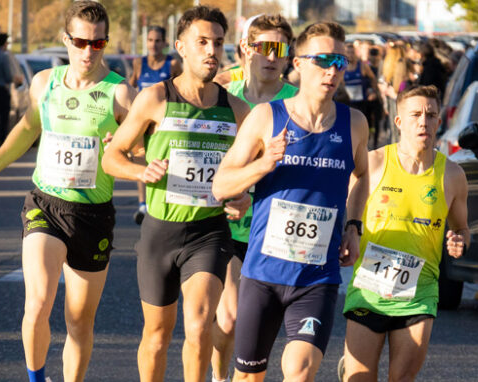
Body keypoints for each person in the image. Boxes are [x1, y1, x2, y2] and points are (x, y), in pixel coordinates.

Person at [0, 2, 136, 381]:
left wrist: (124, 146)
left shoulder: (120, 94)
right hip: (45, 204)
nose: (88, 51)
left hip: (92, 215)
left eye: (98, 43)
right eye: (80, 42)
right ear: (65, 40)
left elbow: (143, 148)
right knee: (38, 303)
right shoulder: (45, 83)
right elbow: (26, 130)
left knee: (79, 322)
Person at [212, 21, 369, 382]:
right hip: (263, 273)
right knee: (250, 376)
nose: (332, 70)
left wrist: (353, 226)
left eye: (340, 62)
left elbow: (361, 177)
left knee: (299, 370)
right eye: (323, 60)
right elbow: (221, 185)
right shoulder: (267, 117)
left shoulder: (354, 123)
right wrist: (265, 163)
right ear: (298, 63)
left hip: (317, 274)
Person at [100, 6, 250, 382]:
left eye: (217, 42)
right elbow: (112, 157)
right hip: (159, 233)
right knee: (157, 334)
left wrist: (244, 194)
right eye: (202, 42)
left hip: (209, 231)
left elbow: (255, 168)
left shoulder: (237, 109)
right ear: (181, 47)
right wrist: (141, 170)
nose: (211, 51)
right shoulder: (155, 98)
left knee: (199, 327)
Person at [340, 85, 469, 382]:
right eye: (415, 115)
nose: (423, 121)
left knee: (400, 378)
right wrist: (349, 234)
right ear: (399, 122)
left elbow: (462, 228)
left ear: (439, 121)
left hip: (418, 294)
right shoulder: (373, 163)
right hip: (369, 289)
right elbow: (347, 214)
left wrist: (460, 239)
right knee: (358, 378)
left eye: (431, 115)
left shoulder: (452, 175)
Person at [210, 13, 298, 382]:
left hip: (275, 226)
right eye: (263, 47)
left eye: (280, 49)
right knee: (227, 319)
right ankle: (219, 377)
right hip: (226, 222)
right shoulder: (223, 95)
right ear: (247, 49)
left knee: (258, 323)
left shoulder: (298, 100)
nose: (272, 56)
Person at [129, 25, 183, 225]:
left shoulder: (173, 64)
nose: (153, 44)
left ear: (164, 43)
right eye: (150, 40)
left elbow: (182, 89)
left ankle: (163, 199)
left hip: (165, 123)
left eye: (157, 41)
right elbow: (131, 84)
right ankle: (143, 203)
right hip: (144, 121)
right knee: (140, 159)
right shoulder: (138, 63)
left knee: (163, 162)